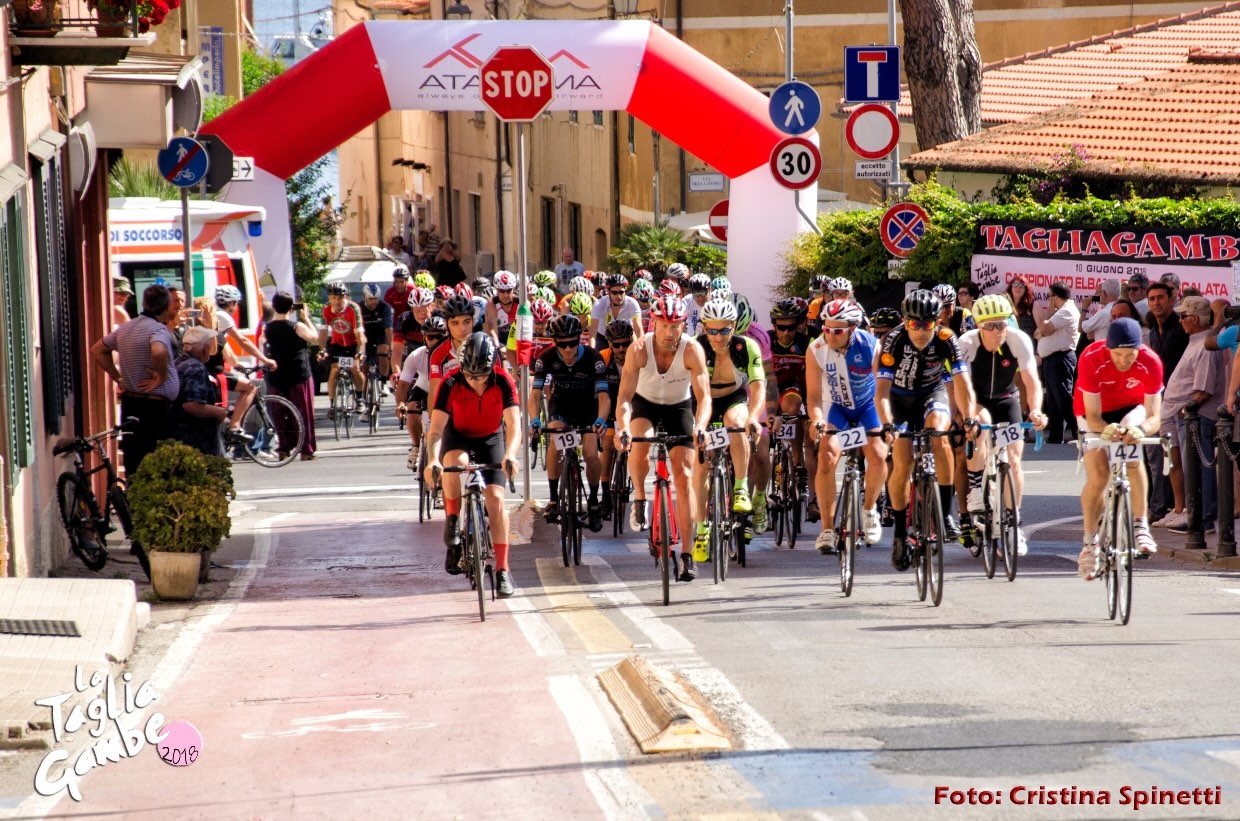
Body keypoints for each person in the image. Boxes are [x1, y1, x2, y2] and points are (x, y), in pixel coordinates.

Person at [615, 295, 712, 583]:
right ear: (653, 324)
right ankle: (640, 497)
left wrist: (701, 426)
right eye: (664, 325)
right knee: (640, 441)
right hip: (645, 404)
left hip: (678, 407)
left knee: (684, 475)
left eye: (676, 326)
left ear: (684, 325)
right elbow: (624, 397)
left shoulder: (692, 349)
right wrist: (623, 428)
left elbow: (704, 397)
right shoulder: (639, 349)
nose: (670, 332)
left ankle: (687, 554)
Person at [877, 289, 977, 569]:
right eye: (914, 324)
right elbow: (881, 391)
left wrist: (968, 417)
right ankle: (899, 532)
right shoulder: (893, 340)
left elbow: (962, 384)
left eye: (927, 324)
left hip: (932, 393)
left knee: (940, 438)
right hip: (899, 399)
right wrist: (887, 423)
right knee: (902, 460)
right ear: (905, 321)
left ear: (937, 321)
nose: (921, 330)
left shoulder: (946, 338)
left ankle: (945, 513)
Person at [424, 333, 522, 598]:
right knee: (454, 464)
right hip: (459, 435)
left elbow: (514, 424)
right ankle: (453, 518)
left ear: (492, 369)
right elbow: (435, 430)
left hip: (491, 437)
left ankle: (502, 570)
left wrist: (510, 454)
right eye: (469, 375)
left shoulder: (503, 380)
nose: (475, 381)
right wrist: (432, 459)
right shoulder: (450, 381)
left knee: (496, 499)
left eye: (481, 376)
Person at [956, 294, 1047, 555]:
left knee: (1015, 460)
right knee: (982, 423)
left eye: (1002, 323)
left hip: (1006, 399)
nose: (998, 330)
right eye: (991, 326)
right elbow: (962, 386)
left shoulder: (1018, 339)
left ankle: (1014, 523)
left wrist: (1036, 410)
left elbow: (1031, 381)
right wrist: (967, 416)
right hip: (977, 399)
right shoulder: (967, 342)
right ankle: (976, 487)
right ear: (979, 326)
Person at [1076, 318, 1163, 580]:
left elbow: (1154, 417)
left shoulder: (1151, 362)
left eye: (1130, 354)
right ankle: (1090, 542)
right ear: (1108, 348)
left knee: (1133, 453)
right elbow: (1092, 416)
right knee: (1099, 475)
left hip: (1131, 408)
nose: (1124, 361)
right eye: (1117, 354)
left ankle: (1140, 525)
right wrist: (1105, 430)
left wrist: (1141, 430)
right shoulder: (1091, 357)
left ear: (1139, 348)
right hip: (1094, 411)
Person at [806, 299, 887, 554]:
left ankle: (869, 509)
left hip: (867, 406)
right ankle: (827, 529)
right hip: (836, 407)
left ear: (852, 328)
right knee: (826, 456)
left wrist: (886, 422)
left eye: (837, 330)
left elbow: (883, 388)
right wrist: (817, 419)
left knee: (878, 454)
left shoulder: (871, 345)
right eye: (826, 329)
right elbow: (813, 396)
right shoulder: (816, 349)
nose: (830, 335)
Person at [690, 298, 765, 562]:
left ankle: (741, 487)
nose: (718, 337)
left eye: (724, 330)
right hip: (702, 401)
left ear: (733, 327)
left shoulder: (747, 347)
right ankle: (701, 530)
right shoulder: (695, 347)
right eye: (712, 330)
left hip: (733, 397)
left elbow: (758, 385)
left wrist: (753, 417)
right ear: (704, 328)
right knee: (701, 465)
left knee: (737, 423)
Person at [90, 284, 181, 477]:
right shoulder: (158, 329)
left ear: (144, 304)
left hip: (132, 404)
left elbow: (98, 350)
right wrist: (162, 376)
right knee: (160, 466)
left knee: (135, 462)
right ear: (166, 306)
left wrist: (118, 378)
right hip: (155, 409)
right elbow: (158, 351)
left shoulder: (127, 327)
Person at [530, 315, 610, 532]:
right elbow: (535, 394)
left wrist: (601, 420)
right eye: (562, 344)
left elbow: (604, 397)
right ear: (554, 342)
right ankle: (554, 499)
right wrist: (534, 419)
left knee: (591, 453)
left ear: (579, 339)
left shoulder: (593, 358)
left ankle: (593, 500)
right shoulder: (546, 358)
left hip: (588, 407)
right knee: (555, 440)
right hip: (561, 405)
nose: (567, 349)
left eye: (572, 343)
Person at [1155, 296, 1227, 533]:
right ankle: (1187, 511)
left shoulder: (1205, 345)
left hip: (1195, 417)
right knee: (1181, 464)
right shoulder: (1196, 341)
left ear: (1195, 318)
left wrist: (1187, 409)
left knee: (1197, 467)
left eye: (1183, 316)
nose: (1180, 320)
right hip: (1179, 414)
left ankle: (1202, 518)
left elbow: (1203, 390)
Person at [1144, 281, 1189, 521]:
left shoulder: (1181, 327)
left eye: (1161, 297)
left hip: (1182, 400)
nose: (1156, 303)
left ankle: (1184, 509)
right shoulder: (1153, 331)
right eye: (1152, 299)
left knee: (1182, 457)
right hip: (1160, 399)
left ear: (1172, 299)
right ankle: (1170, 507)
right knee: (1164, 456)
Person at [769, 298, 817, 519]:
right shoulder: (766, 340)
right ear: (774, 325)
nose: (786, 332)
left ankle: (797, 464)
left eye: (791, 327)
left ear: (798, 324)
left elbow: (815, 378)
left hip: (793, 387)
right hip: (769, 388)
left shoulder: (807, 342)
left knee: (793, 408)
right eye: (781, 327)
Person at [213, 285, 276, 443]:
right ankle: (234, 426)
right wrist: (265, 360)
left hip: (213, 368)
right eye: (236, 303)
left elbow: (226, 350)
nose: (236, 308)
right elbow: (242, 340)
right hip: (213, 370)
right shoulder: (223, 316)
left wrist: (237, 364)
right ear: (231, 303)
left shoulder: (216, 315)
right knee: (250, 387)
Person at [265, 292, 319, 461]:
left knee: (280, 413)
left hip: (277, 374)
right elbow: (315, 339)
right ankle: (306, 449)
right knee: (304, 412)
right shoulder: (297, 326)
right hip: (298, 374)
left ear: (274, 307)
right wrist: (306, 318)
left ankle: (283, 447)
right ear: (291, 308)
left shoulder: (268, 327)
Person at [396, 315, 448, 470]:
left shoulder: (453, 353)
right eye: (431, 337)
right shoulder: (416, 355)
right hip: (424, 387)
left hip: (445, 388)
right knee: (411, 409)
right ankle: (416, 446)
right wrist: (400, 404)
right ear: (424, 338)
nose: (435, 341)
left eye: (439, 337)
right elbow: (403, 384)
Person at [1033, 280, 1081, 444]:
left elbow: (1044, 329)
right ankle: (1055, 436)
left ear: (1056, 297)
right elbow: (1038, 332)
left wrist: (1048, 314)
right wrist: (1043, 329)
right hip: (1052, 359)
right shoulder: (1060, 311)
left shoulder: (1066, 310)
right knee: (1053, 401)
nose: (1048, 300)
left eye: (1049, 296)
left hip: (1061, 358)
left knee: (1064, 398)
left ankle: (1078, 432)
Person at [172, 326, 227, 456]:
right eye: (209, 346)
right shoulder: (197, 369)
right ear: (204, 349)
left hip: (178, 435)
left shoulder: (177, 363)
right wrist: (218, 412)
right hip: (196, 440)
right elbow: (192, 404)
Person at [318, 282, 366, 417]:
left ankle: (360, 398)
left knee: (355, 368)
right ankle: (332, 405)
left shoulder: (353, 308)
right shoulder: (326, 309)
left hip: (353, 343)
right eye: (333, 298)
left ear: (345, 297)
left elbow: (359, 334)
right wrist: (322, 349)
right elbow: (323, 333)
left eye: (340, 298)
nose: (337, 301)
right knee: (334, 370)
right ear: (329, 298)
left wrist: (360, 352)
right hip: (337, 344)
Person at [589, 273, 642, 348]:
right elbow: (592, 335)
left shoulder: (632, 303)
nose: (618, 296)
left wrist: (641, 350)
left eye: (621, 292)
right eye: (614, 293)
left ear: (625, 291)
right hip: (603, 337)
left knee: (635, 343)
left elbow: (639, 329)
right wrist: (592, 352)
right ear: (608, 292)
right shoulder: (599, 305)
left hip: (625, 337)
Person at [360, 283, 395, 391]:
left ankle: (383, 382)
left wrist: (391, 348)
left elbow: (388, 329)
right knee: (364, 365)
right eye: (371, 299)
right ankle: (363, 392)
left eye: (376, 299)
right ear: (365, 297)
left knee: (383, 350)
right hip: (365, 336)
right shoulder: (359, 308)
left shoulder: (385, 307)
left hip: (380, 334)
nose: (374, 301)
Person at [483, 271, 521, 345]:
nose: (506, 295)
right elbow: (493, 331)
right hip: (500, 342)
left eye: (508, 290)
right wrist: (498, 348)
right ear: (497, 290)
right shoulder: (492, 303)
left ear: (513, 289)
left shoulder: (520, 302)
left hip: (517, 342)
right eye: (502, 291)